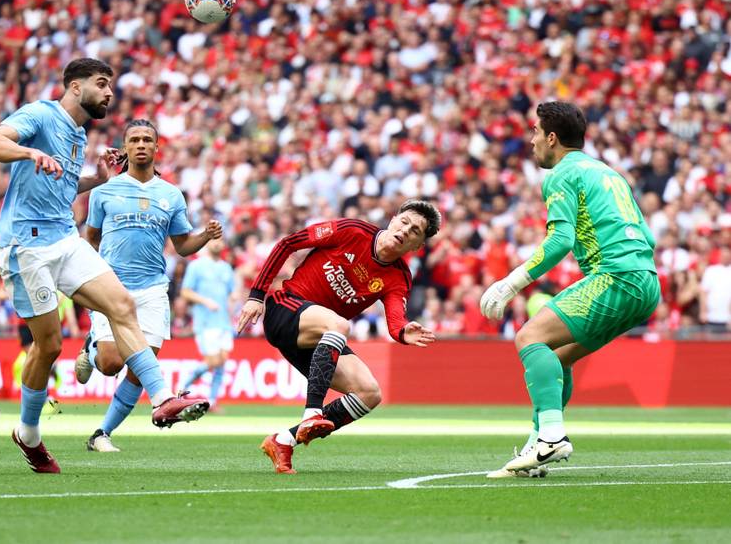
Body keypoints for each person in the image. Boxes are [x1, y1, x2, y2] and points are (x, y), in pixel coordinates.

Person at [0, 58, 207, 473]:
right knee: (48, 346)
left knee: (122, 305)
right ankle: (28, 433)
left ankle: (163, 399)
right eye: (101, 84)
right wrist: (29, 151)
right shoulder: (40, 114)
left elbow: (63, 186)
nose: (108, 93)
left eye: (109, 86)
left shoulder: (79, 134)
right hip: (25, 245)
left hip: (64, 237)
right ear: (75, 86)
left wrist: (96, 181)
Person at [480, 102, 660, 478]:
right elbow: (648, 236)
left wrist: (510, 283)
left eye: (534, 131)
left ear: (551, 137)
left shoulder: (562, 173)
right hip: (646, 281)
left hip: (615, 276)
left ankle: (551, 437)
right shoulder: (609, 173)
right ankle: (538, 444)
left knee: (529, 337)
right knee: (558, 357)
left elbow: (560, 240)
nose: (531, 140)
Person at [236, 199, 441, 474]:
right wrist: (256, 295)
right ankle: (312, 413)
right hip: (285, 310)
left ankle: (283, 441)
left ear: (417, 246)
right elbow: (288, 243)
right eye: (404, 222)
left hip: (320, 338)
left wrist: (404, 332)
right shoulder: (352, 231)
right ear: (393, 220)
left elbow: (395, 322)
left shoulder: (399, 277)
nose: (405, 230)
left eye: (415, 231)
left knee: (370, 393)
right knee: (340, 326)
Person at [73, 118, 219, 452]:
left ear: (156, 147)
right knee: (111, 363)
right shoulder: (104, 191)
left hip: (152, 289)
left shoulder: (171, 194)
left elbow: (182, 246)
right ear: (125, 147)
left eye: (147, 140)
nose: (141, 144)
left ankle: (101, 434)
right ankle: (91, 349)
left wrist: (205, 236)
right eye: (135, 139)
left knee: (139, 372)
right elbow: (91, 238)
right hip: (111, 286)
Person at [178, 236, 237, 411]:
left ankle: (212, 401)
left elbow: (232, 293)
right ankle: (181, 388)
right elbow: (185, 292)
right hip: (205, 323)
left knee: (222, 362)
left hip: (224, 322)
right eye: (213, 239)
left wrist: (233, 300)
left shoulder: (226, 268)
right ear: (207, 243)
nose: (217, 243)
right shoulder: (196, 266)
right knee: (213, 361)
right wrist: (205, 301)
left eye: (220, 240)